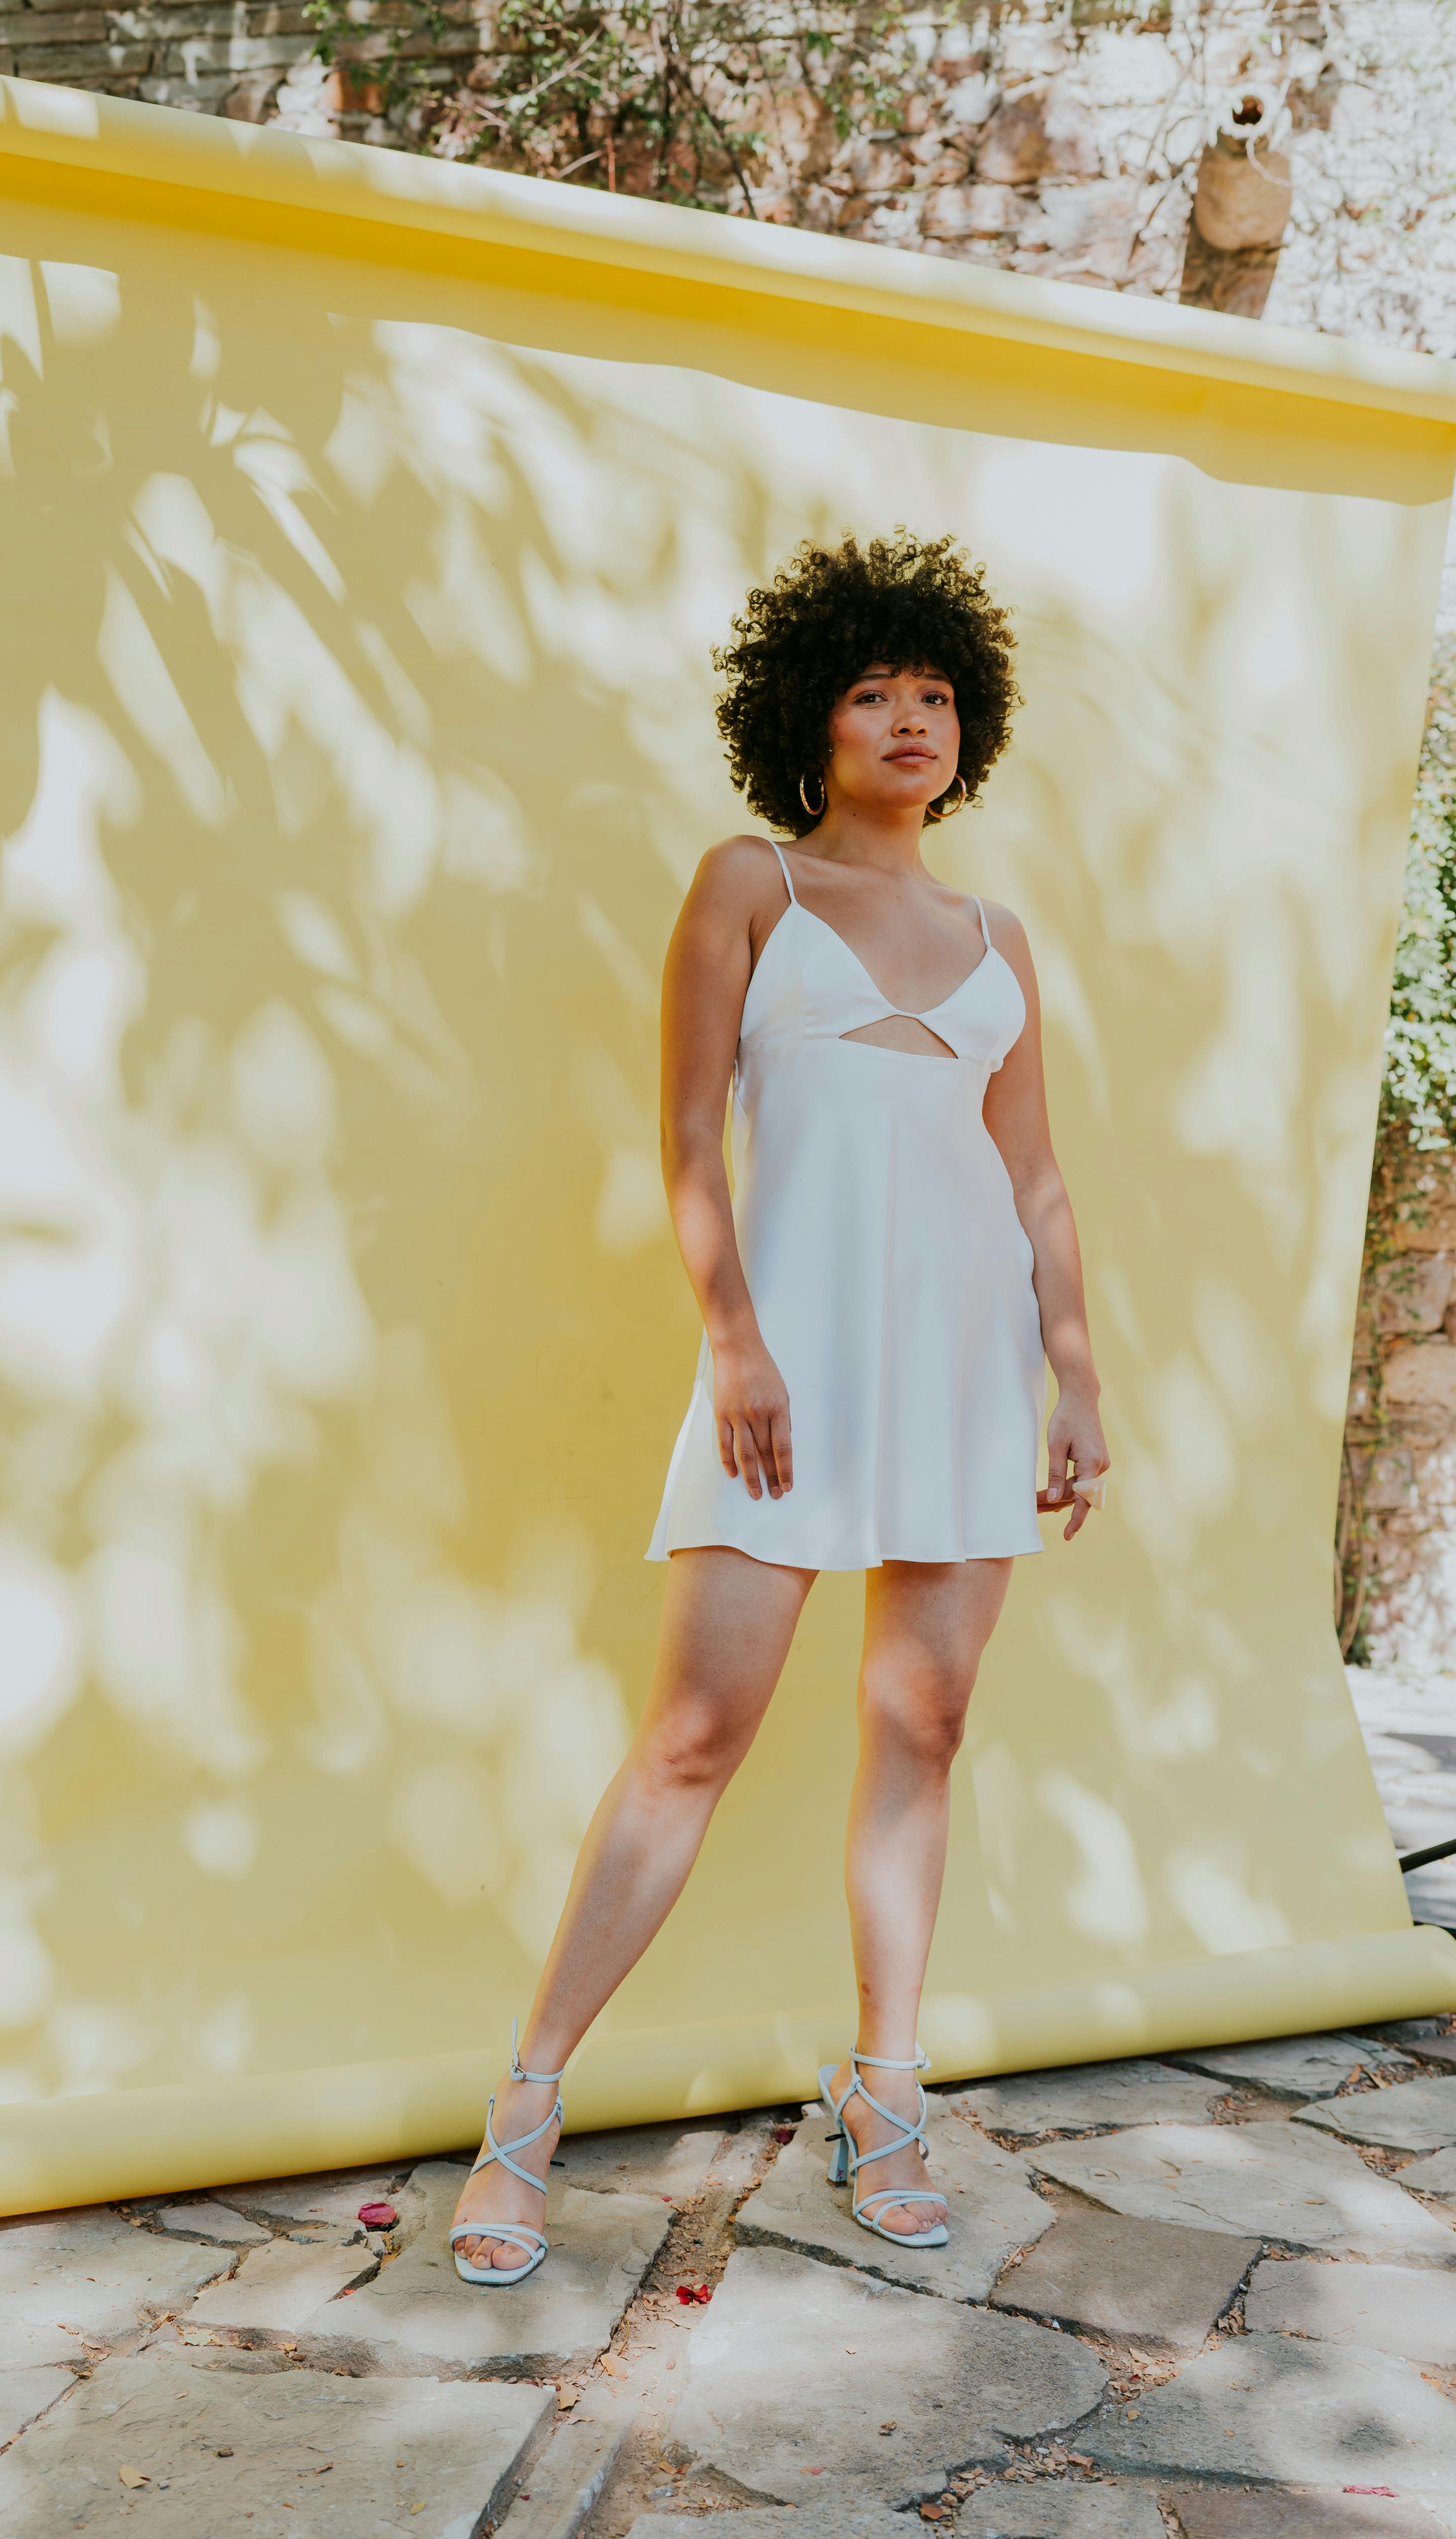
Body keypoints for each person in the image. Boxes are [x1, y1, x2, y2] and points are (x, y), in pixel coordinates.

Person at [449, 531, 1109, 2284]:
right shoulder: (750, 886)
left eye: (940, 695)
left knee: (928, 1730)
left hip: (967, 1376)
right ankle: (524, 2114)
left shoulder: (997, 939)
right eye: (876, 692)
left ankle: (881, 2091)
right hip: (793, 1375)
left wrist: (1078, 1381)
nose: (912, 720)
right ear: (806, 721)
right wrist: (733, 1341)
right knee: (692, 1741)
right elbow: (684, 1143)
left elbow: (1033, 1178)